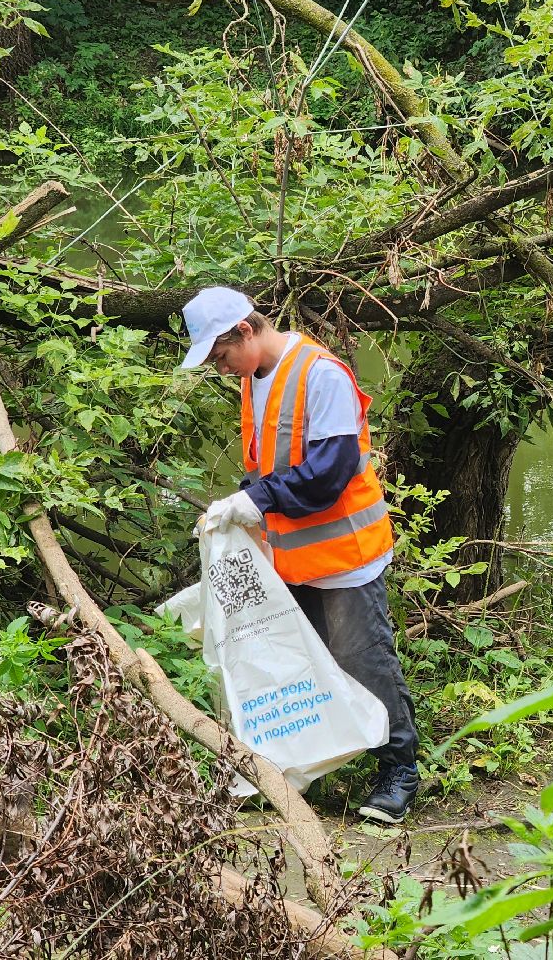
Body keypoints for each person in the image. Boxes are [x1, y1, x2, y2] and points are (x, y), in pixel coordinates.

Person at [180, 286, 420, 824]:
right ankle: (319, 762)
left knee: (363, 660)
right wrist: (241, 508)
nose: (221, 369)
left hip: (345, 556)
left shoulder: (321, 375)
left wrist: (253, 501)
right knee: (310, 663)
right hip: (295, 559)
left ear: (245, 330)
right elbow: (270, 466)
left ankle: (399, 770)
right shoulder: (253, 381)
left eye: (220, 356)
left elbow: (329, 476)